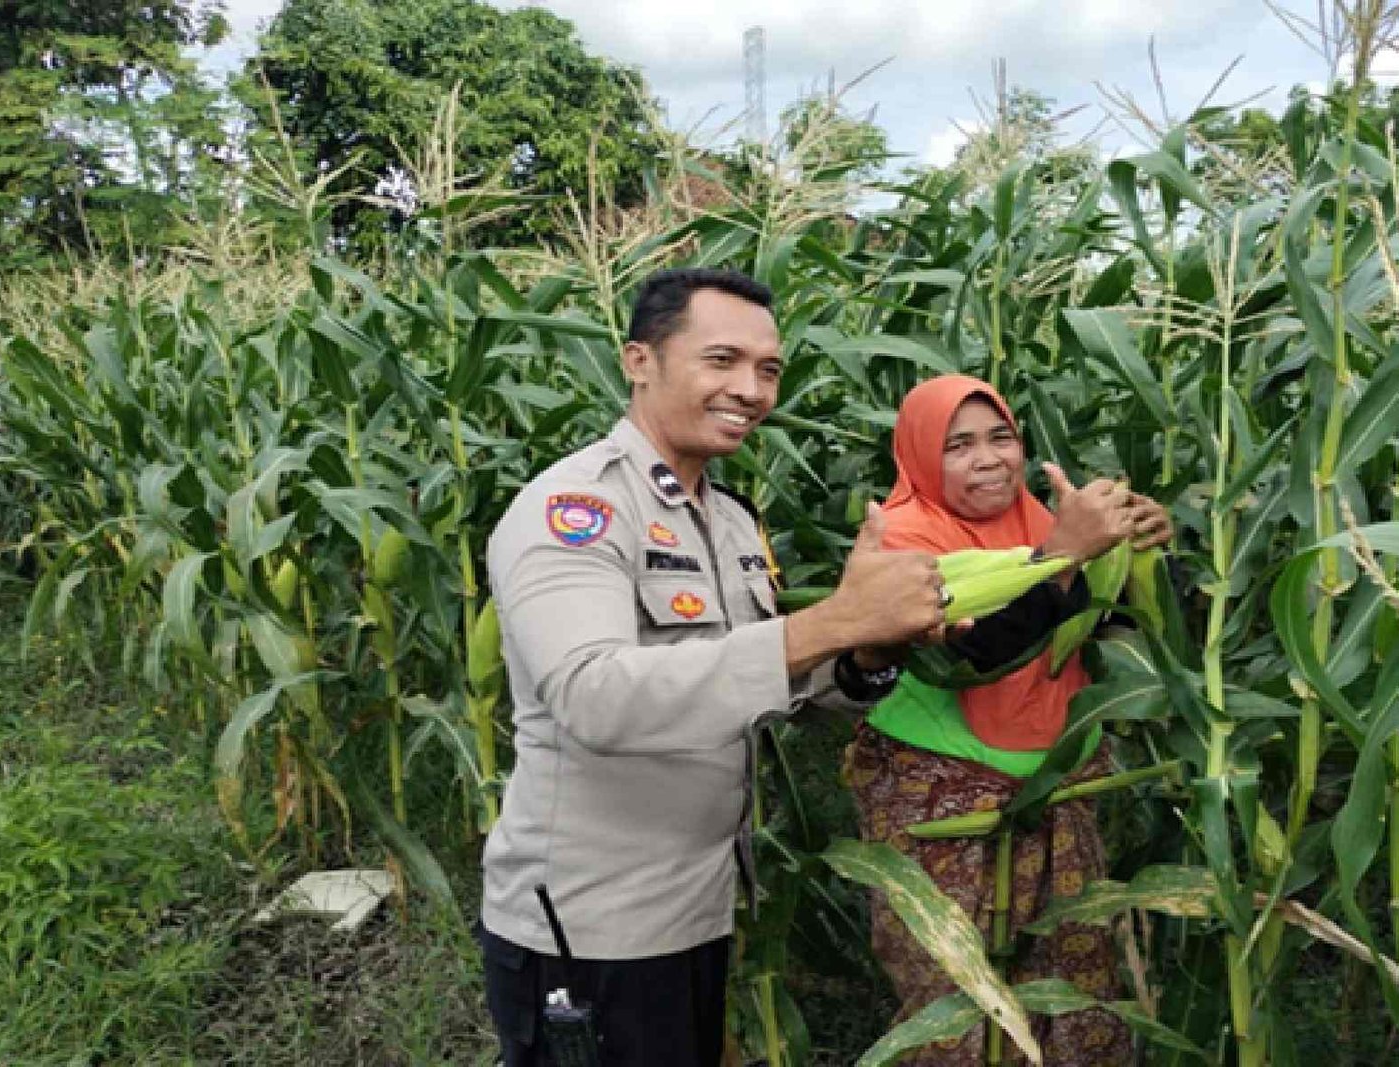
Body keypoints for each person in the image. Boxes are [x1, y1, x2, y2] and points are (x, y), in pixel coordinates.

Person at [478, 268, 947, 1066]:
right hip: (592, 927)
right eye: (722, 360)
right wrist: (831, 618)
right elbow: (595, 698)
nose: (751, 389)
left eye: (768, 370)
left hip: (700, 908)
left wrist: (866, 650)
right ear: (639, 360)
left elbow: (765, 678)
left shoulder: (728, 521)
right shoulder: (575, 512)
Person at [846, 374, 1172, 1066]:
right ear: (918, 456)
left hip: (1056, 783)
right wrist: (1061, 556)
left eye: (1002, 437)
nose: (989, 458)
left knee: (1071, 996)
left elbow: (1102, 627)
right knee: (957, 1000)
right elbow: (968, 657)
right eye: (958, 445)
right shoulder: (901, 540)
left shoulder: (1044, 518)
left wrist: (1137, 549)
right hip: (938, 797)